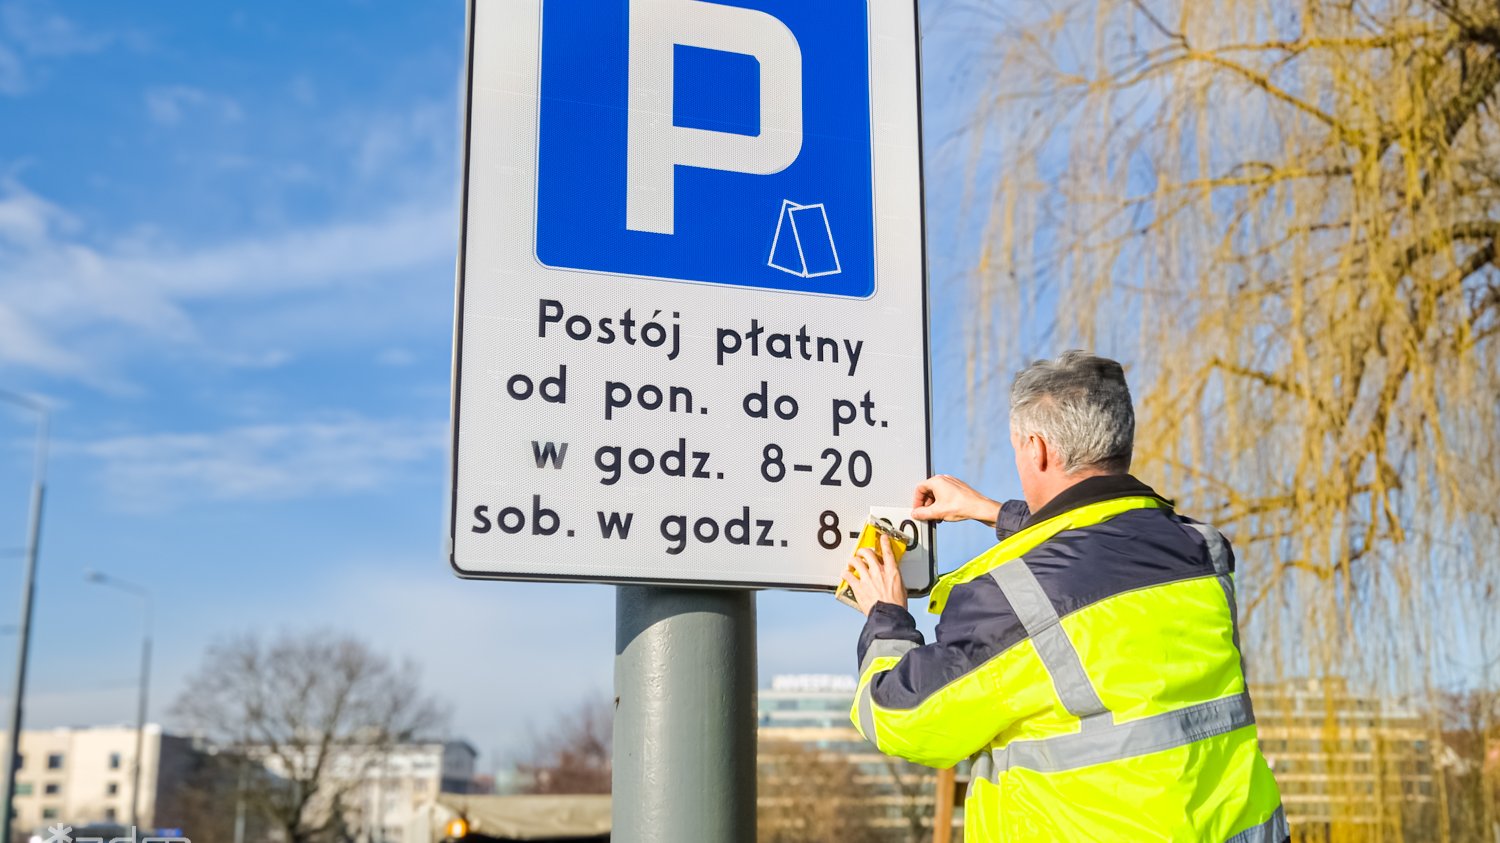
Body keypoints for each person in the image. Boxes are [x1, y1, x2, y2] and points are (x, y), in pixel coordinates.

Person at [843, 351, 1286, 842]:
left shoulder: (1011, 597)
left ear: (1036, 448)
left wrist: (887, 617)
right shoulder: (1201, 550)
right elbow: (1101, 546)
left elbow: (901, 718)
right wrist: (990, 511)